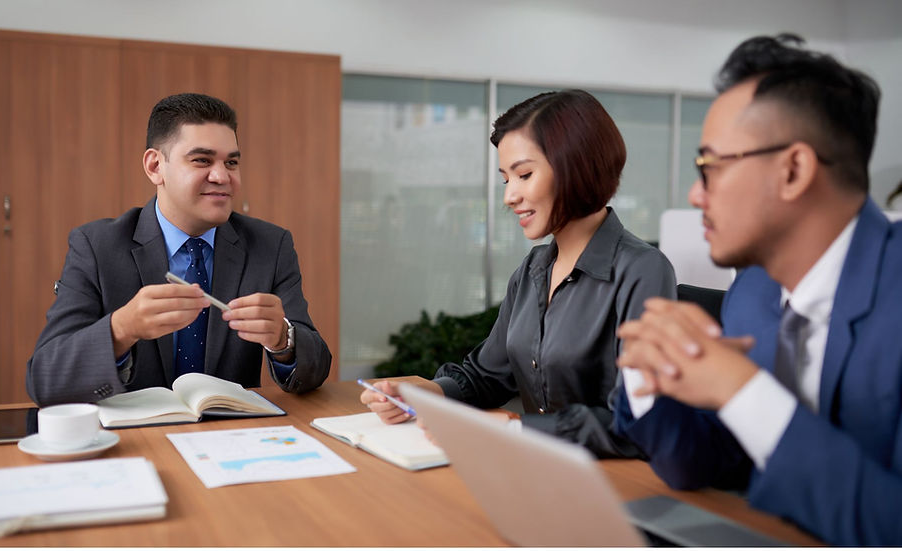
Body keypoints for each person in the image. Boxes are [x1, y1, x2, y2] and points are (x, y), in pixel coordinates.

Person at [613, 34, 901, 546]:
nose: (695, 194)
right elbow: (706, 463)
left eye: (710, 167)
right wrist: (647, 371)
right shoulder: (753, 291)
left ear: (793, 170)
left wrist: (743, 391)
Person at [361, 90, 676, 458]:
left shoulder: (642, 269)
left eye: (524, 175)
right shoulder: (533, 269)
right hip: (533, 466)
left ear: (577, 166)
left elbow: (637, 420)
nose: (510, 196)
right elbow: (487, 376)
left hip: (611, 478)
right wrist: (423, 395)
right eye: (506, 179)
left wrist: (514, 428)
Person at [27, 93, 331, 406]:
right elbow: (45, 380)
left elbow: (317, 368)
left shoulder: (270, 246)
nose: (222, 176)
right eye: (202, 160)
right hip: (135, 432)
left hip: (230, 430)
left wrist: (283, 340)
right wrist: (121, 329)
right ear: (155, 166)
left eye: (231, 162)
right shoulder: (96, 246)